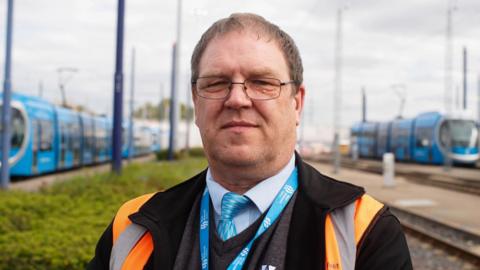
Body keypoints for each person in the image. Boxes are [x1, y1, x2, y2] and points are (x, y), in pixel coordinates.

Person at [88, 13, 412, 270]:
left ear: (296, 103)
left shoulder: (363, 232)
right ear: (195, 103)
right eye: (217, 83)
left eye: (261, 82)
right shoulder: (131, 228)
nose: (237, 99)